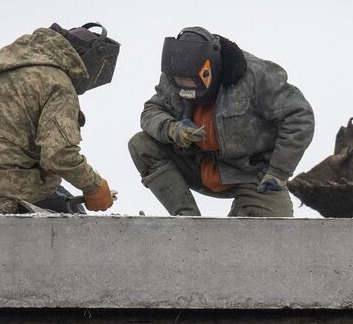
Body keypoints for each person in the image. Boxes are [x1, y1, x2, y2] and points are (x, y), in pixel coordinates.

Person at [129, 27, 314, 218]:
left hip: (253, 174)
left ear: (209, 68)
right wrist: (172, 129)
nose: (186, 86)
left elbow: (299, 117)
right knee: (141, 144)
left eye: (192, 81)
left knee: (275, 235)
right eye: (180, 81)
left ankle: (246, 209)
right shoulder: (174, 74)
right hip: (199, 164)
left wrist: (279, 171)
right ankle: (186, 219)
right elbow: (151, 111)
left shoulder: (257, 76)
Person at [0, 22, 120, 213]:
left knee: (58, 193)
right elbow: (58, 155)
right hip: (5, 185)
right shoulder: (57, 83)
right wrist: (94, 186)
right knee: (76, 219)